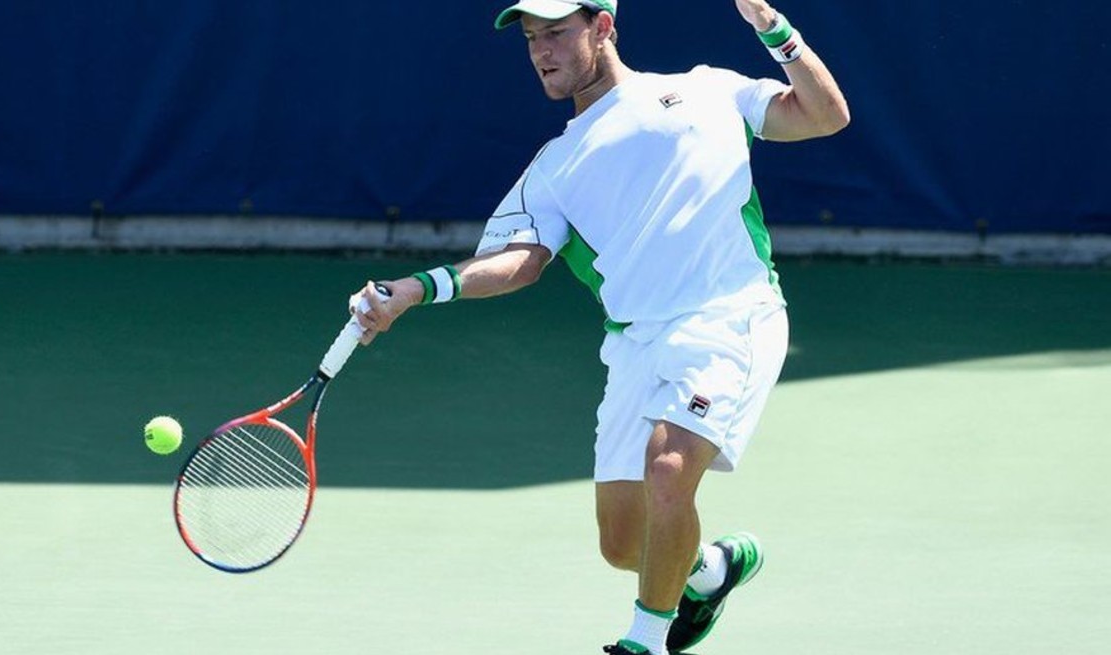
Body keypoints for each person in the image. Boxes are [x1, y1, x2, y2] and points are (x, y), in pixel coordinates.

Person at [350, 0, 848, 652]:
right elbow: (519, 261)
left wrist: (774, 30)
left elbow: (825, 115)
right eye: (532, 39)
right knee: (623, 544)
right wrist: (416, 288)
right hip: (635, 342)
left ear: (603, 28)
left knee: (669, 469)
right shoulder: (554, 166)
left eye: (557, 33)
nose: (542, 51)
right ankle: (709, 572)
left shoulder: (706, 90)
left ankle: (644, 641)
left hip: (730, 315)